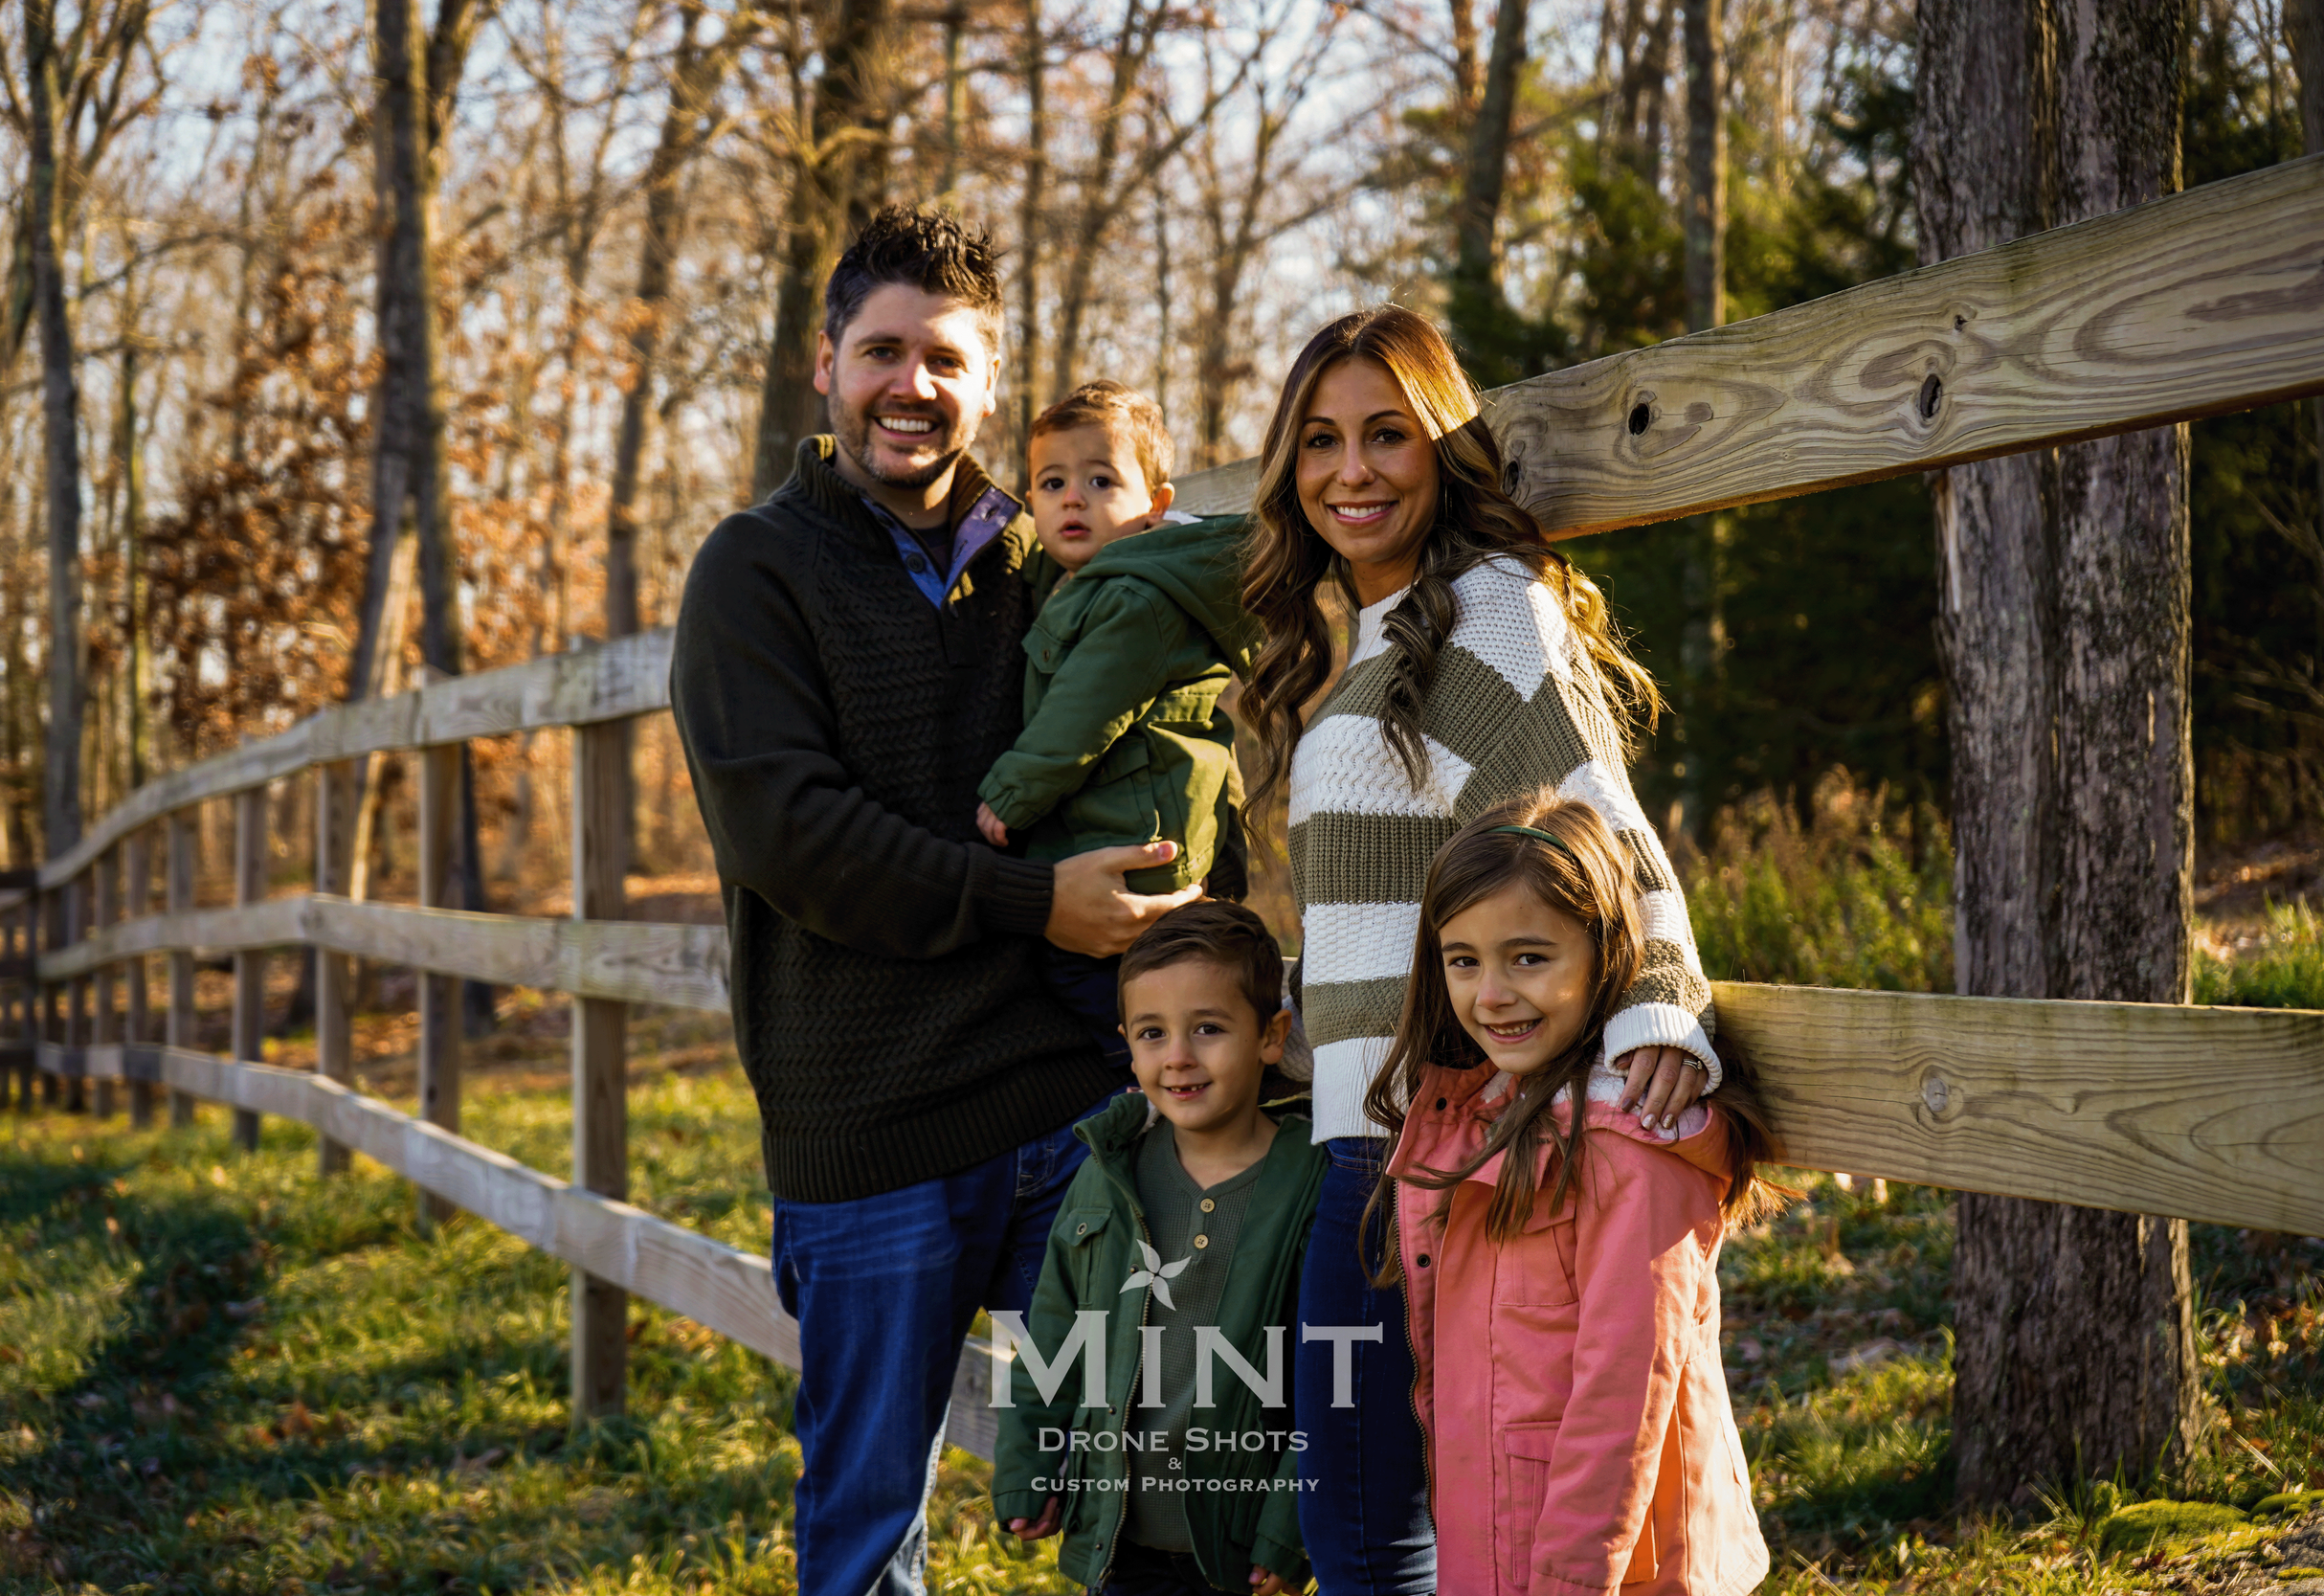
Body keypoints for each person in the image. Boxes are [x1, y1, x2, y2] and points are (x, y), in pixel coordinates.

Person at [669, 205, 1199, 1596]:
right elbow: (798, 838)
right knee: (867, 1527)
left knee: (1171, 1462)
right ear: (827, 364)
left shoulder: (1051, 562)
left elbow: (1179, 675)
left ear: (990, 375)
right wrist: (1033, 903)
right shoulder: (753, 571)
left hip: (1065, 1106)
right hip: (871, 1126)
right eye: (881, 350)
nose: (913, 384)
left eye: (946, 358)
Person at [1235, 304, 1722, 1593]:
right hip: (1351, 1142)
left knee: (1368, 1538)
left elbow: (1603, 830)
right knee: (1380, 1529)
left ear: (1443, 446)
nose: (1352, 470)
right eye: (1322, 440)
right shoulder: (1375, 633)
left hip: (1418, 1157)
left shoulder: (1490, 615)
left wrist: (1660, 1010)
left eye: (1388, 434)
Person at [1367, 793, 1777, 1596]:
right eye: (1464, 960)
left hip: (1610, 1566)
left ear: (1605, 956)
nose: (1490, 993)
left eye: (1528, 958)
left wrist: (1567, 1581)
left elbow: (1623, 1396)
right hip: (1502, 1538)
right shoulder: (1486, 1113)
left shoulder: (1634, 1147)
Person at [992, 901, 1323, 1596]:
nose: (1178, 1055)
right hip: (1121, 1540)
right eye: (1152, 1032)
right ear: (1129, 1044)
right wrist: (1028, 1466)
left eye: (1208, 1027)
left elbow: (1328, 1381)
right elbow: (1053, 1337)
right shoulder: (1109, 1175)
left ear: (1271, 1035)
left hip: (1240, 1548)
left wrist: (1289, 1527)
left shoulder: (1311, 1181)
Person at [974, 380, 1258, 1064]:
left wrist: (1008, 794)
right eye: (1051, 482)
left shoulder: (1136, 599)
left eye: (1101, 479)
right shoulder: (1084, 583)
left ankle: (1149, 1089)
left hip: (1139, 853)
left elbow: (1081, 711)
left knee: (1102, 990)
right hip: (1128, 830)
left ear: (1154, 507)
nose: (1073, 497)